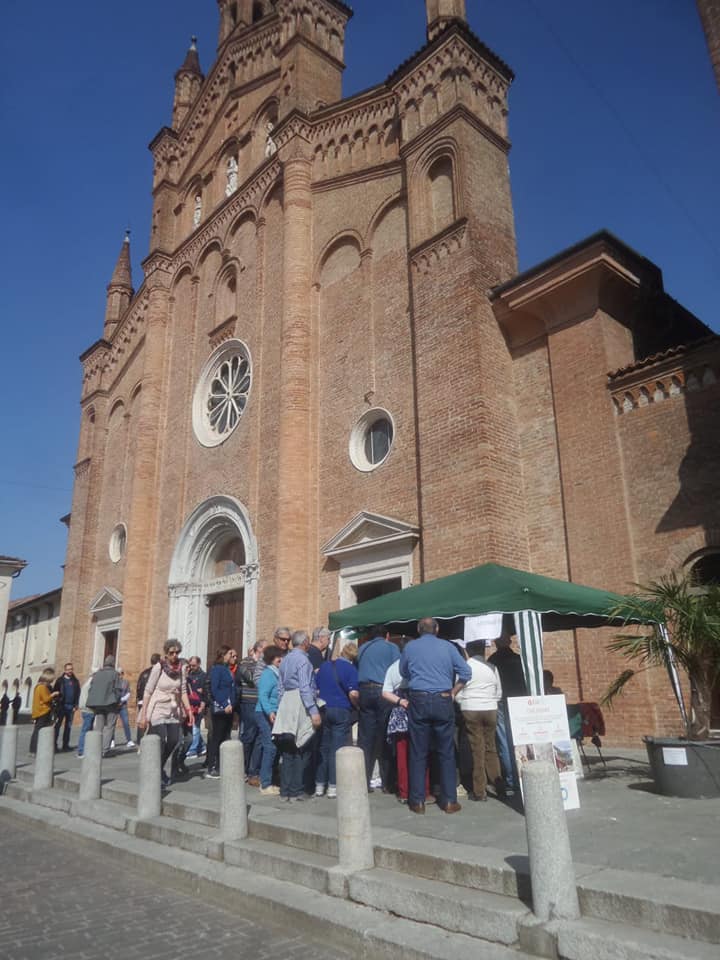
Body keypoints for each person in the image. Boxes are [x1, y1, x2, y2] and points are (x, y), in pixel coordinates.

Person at [400, 617, 471, 814]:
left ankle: (417, 801)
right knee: (446, 751)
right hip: (442, 698)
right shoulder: (448, 647)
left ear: (418, 629)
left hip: (419, 699)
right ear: (437, 629)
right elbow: (466, 671)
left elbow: (403, 671)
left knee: (418, 751)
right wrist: (454, 691)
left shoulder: (410, 648)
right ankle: (449, 801)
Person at [274, 630, 321, 801]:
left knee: (287, 749)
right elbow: (304, 687)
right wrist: (314, 711)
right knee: (302, 747)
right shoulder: (303, 660)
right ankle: (298, 790)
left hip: (286, 701)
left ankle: (285, 790)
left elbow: (280, 687)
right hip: (299, 702)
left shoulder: (285, 660)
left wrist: (280, 707)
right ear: (305, 642)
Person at [382, 641, 430, 804]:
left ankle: (404, 792)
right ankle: (424, 790)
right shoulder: (419, 664)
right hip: (418, 711)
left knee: (402, 754)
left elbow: (385, 692)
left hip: (400, 714)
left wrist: (399, 701)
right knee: (421, 753)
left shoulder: (393, 667)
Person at [137, 639, 191, 787]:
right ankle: (155, 773)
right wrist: (143, 715)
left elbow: (184, 691)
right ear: (166, 653)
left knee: (174, 740)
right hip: (157, 707)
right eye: (171, 653)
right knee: (160, 739)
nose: (174, 655)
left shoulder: (182, 668)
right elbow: (148, 691)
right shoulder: (159, 667)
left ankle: (158, 768)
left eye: (177, 652)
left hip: (173, 709)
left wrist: (189, 711)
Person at [455, 641, 503, 801]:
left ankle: (479, 791)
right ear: (483, 650)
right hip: (490, 708)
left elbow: (458, 691)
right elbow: (499, 692)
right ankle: (499, 785)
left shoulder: (464, 666)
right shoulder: (492, 667)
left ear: (467, 650)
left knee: (477, 750)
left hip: (471, 708)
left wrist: (464, 703)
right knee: (491, 747)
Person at [356, 624, 400, 791]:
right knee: (386, 737)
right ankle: (387, 782)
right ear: (387, 635)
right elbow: (398, 669)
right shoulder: (392, 647)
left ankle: (363, 781)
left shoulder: (362, 648)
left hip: (365, 691)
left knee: (365, 738)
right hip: (384, 692)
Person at [315, 642, 359, 798]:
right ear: (353, 657)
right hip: (341, 710)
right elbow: (353, 693)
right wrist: (357, 706)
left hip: (324, 709)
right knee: (337, 749)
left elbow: (317, 688)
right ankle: (333, 786)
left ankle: (319, 785)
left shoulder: (325, 666)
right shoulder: (352, 669)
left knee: (323, 747)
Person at [488, 634, 527, 796]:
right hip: (520, 701)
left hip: (502, 701)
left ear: (495, 643)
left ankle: (511, 780)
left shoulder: (492, 661)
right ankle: (524, 777)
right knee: (521, 738)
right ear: (510, 642)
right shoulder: (520, 659)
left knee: (504, 740)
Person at [204, 645, 237, 779]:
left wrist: (232, 704)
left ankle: (221, 765)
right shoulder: (217, 669)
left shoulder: (226, 669)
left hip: (229, 708)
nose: (232, 656)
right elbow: (215, 689)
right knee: (217, 737)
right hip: (220, 708)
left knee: (225, 736)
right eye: (230, 654)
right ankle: (212, 767)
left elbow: (232, 688)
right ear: (223, 655)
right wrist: (224, 704)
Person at [255, 644, 283, 795]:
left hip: (274, 713)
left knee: (274, 747)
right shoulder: (268, 674)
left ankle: (270, 780)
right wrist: (269, 711)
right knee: (270, 746)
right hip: (264, 714)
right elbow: (263, 695)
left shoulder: (277, 673)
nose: (281, 659)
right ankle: (265, 784)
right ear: (272, 659)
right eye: (279, 657)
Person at [238, 641, 265, 785]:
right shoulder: (245, 662)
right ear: (258, 650)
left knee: (260, 737)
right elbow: (251, 679)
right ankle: (243, 767)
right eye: (264, 649)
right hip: (249, 703)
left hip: (261, 703)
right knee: (249, 736)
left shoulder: (263, 664)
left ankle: (254, 771)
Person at [86, 655, 123, 756]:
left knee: (99, 725)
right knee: (110, 726)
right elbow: (118, 689)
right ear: (113, 663)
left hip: (97, 704)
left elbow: (91, 688)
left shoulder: (97, 674)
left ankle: (96, 748)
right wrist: (118, 700)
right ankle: (104, 750)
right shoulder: (114, 674)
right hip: (110, 703)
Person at [29, 668, 60, 755]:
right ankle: (34, 750)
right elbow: (46, 699)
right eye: (51, 680)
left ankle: (33, 750)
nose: (51, 682)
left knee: (37, 730)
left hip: (38, 711)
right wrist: (53, 694)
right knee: (38, 731)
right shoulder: (42, 687)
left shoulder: (38, 686)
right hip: (43, 711)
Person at [53, 662, 81, 752]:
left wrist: (76, 705)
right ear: (65, 670)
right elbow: (55, 692)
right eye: (68, 669)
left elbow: (77, 694)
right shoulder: (60, 680)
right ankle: (54, 744)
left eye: (71, 669)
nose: (70, 671)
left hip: (71, 707)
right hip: (61, 706)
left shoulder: (75, 681)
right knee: (57, 726)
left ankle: (65, 745)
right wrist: (57, 703)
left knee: (68, 727)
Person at [136, 653, 161, 744]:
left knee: (141, 721)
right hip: (150, 700)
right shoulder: (157, 671)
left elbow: (138, 686)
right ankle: (150, 742)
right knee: (151, 722)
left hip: (141, 700)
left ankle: (140, 741)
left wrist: (138, 698)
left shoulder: (143, 672)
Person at [185, 656, 207, 758]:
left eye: (193, 665)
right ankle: (202, 746)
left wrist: (202, 705)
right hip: (190, 705)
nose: (191, 667)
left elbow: (205, 692)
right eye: (190, 665)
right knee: (193, 727)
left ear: (199, 664)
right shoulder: (188, 676)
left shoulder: (203, 676)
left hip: (199, 705)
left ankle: (193, 750)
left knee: (195, 727)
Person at [111, 670, 135, 748]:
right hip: (114, 705)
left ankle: (129, 740)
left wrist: (122, 699)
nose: (119, 675)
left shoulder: (125, 682)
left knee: (126, 723)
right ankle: (112, 740)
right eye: (118, 674)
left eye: (121, 673)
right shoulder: (113, 682)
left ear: (122, 674)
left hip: (123, 705)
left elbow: (128, 692)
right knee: (112, 724)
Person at [76, 671, 96, 758]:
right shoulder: (91, 684)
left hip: (86, 709)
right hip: (88, 710)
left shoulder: (87, 683)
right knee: (86, 730)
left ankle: (85, 749)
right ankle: (81, 751)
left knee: (88, 730)